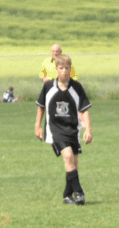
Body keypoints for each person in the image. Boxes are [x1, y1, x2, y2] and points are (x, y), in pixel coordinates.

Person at [34, 54, 92, 206]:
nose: (64, 71)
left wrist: (88, 130)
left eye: (67, 68)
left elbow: (85, 109)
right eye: (61, 68)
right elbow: (41, 107)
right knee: (67, 156)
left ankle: (67, 195)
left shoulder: (77, 87)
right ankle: (79, 192)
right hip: (55, 129)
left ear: (70, 69)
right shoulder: (48, 87)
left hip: (73, 129)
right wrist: (37, 126)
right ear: (56, 69)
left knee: (74, 164)